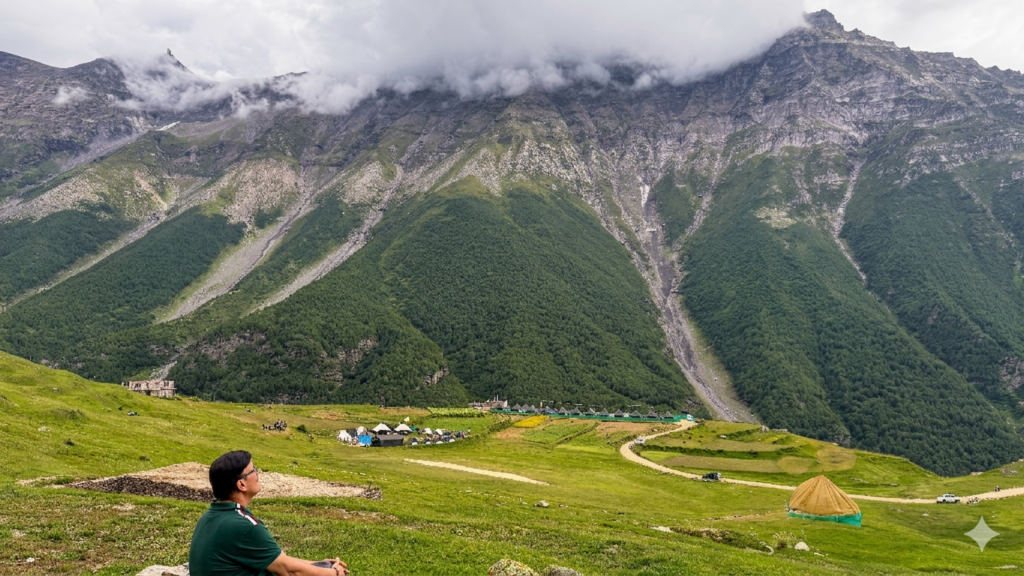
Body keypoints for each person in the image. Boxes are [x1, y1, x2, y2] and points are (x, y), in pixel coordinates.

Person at [189, 450, 349, 576]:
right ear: (241, 484)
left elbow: (278, 560)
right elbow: (289, 571)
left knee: (323, 567)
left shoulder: (213, 515)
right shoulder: (243, 526)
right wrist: (334, 573)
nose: (257, 475)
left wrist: (318, 563)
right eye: (253, 471)